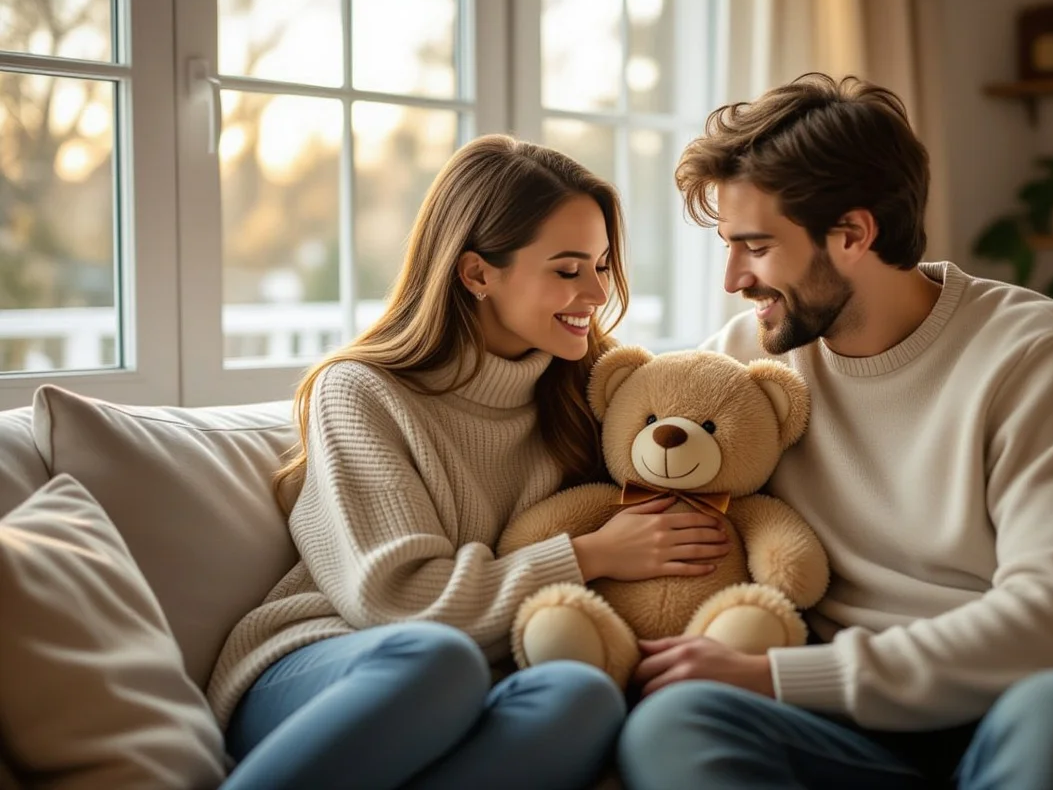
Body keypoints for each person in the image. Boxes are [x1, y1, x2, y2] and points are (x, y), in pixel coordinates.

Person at [616, 75, 1053, 789]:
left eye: (754, 246)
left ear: (853, 233)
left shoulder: (1042, 354)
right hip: (865, 726)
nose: (731, 279)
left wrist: (783, 676)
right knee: (675, 721)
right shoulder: (747, 361)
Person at [206, 135, 732, 790]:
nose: (598, 293)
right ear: (477, 273)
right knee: (438, 660)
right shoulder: (364, 392)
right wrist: (590, 554)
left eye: (601, 265)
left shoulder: (592, 389)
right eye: (569, 270)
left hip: (481, 682)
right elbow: (393, 601)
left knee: (582, 695)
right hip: (326, 670)